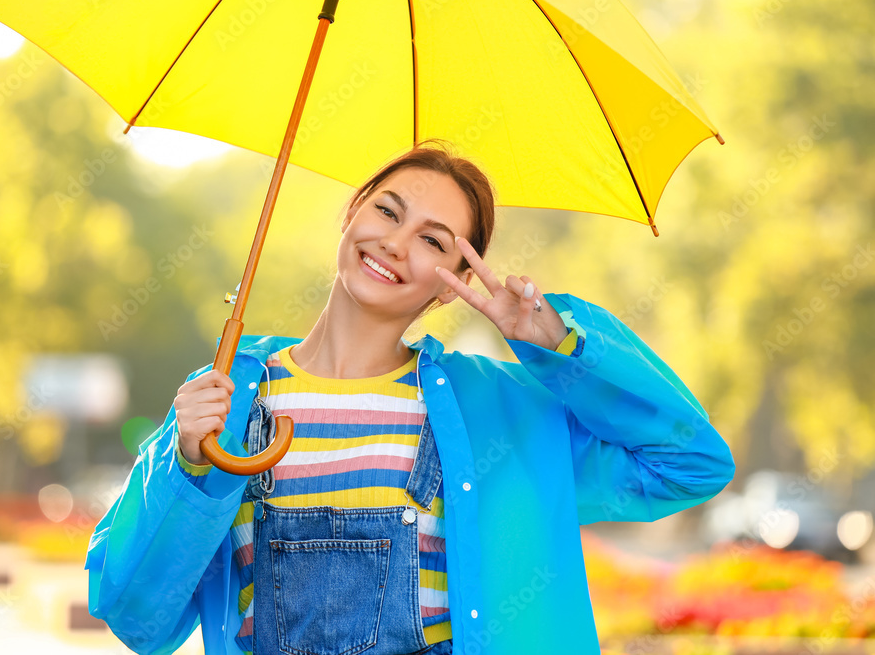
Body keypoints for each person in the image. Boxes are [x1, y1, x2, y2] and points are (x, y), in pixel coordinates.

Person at [85, 139, 736, 655]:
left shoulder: (500, 413)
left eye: (432, 240)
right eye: (387, 211)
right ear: (351, 212)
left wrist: (557, 343)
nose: (396, 243)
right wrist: (188, 468)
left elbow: (689, 461)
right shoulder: (222, 401)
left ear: (451, 284)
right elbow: (138, 618)